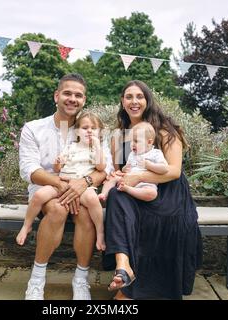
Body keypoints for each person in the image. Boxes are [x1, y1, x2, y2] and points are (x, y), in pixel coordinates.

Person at [103, 80, 202, 300]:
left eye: (139, 96)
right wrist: (118, 178)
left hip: (169, 193)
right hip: (137, 190)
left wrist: (139, 176)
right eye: (129, 97)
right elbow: (121, 172)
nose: (134, 101)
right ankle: (123, 266)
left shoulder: (164, 131)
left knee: (156, 220)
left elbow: (174, 171)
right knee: (116, 194)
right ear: (122, 101)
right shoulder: (119, 137)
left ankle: (128, 290)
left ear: (148, 101)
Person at [19, 73, 113, 300]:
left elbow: (105, 168)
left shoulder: (90, 128)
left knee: (85, 214)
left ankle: (81, 280)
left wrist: (84, 183)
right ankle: (37, 279)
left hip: (83, 187)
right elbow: (29, 170)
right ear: (57, 96)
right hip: (48, 189)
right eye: (68, 93)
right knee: (58, 209)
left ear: (84, 100)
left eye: (78, 95)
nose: (73, 99)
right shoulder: (34, 128)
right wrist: (64, 185)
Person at [17, 111, 107, 251]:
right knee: (39, 195)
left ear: (99, 132)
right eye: (85, 128)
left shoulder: (95, 150)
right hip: (61, 183)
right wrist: (58, 162)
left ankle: (100, 233)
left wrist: (96, 146)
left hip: (82, 186)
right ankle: (26, 225)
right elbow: (57, 168)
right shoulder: (71, 147)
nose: (89, 131)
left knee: (93, 200)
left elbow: (101, 167)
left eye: (93, 129)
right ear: (77, 131)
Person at [99, 121, 168, 202]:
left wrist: (149, 166)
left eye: (136, 141)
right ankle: (103, 195)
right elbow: (126, 168)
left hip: (145, 183)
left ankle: (128, 190)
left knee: (152, 193)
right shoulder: (132, 154)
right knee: (112, 178)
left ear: (149, 142)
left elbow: (164, 169)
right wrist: (124, 169)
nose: (132, 144)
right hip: (128, 178)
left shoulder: (155, 153)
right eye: (131, 141)